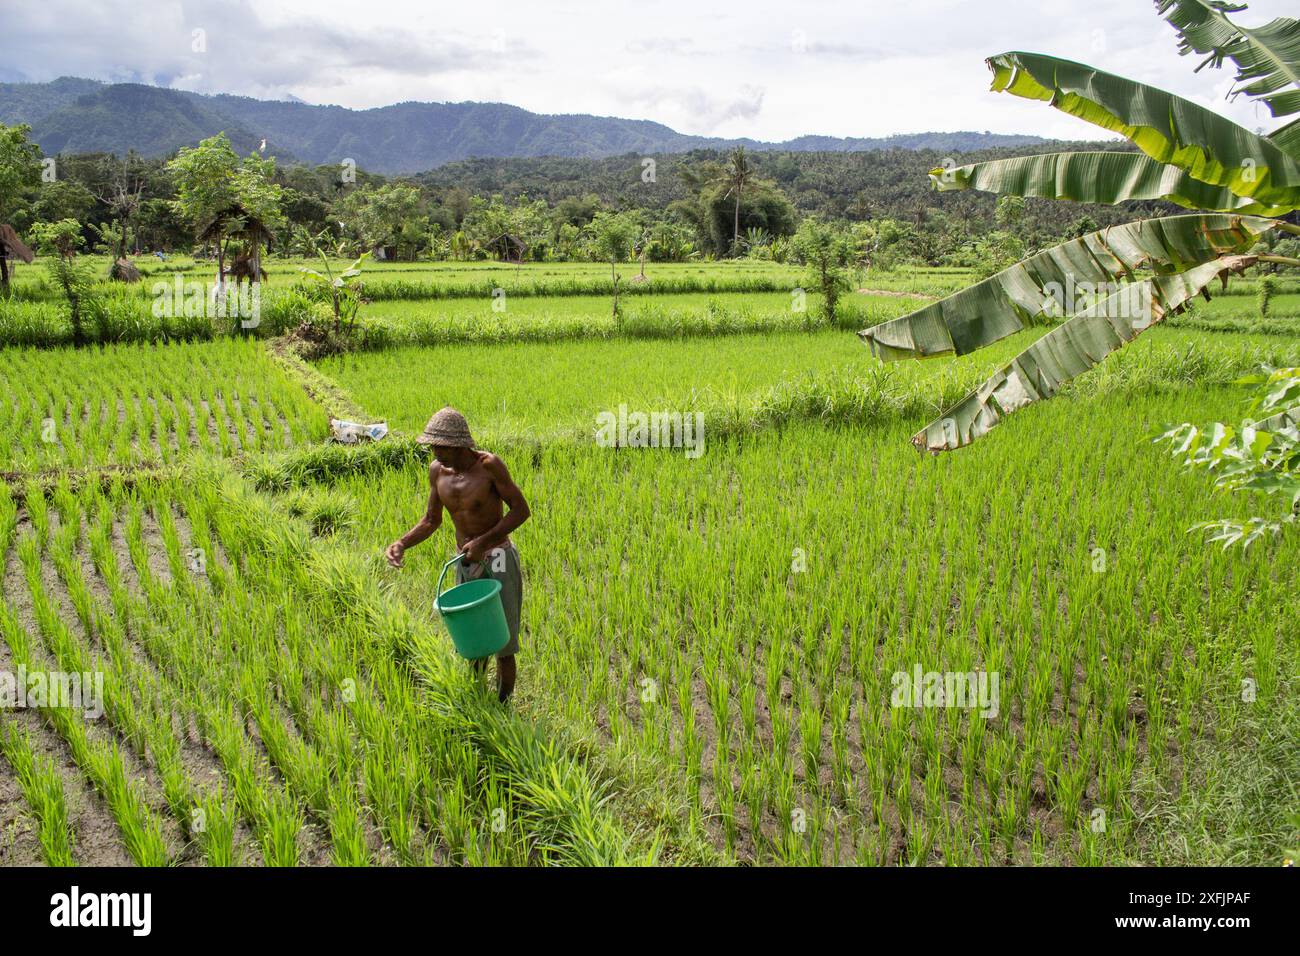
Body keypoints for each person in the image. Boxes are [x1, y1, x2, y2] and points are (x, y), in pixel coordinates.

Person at [386, 407, 530, 702]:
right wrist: (402, 543)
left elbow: (521, 510)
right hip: (465, 561)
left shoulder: (489, 466)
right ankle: (478, 700)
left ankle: (504, 705)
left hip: (497, 557)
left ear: (458, 445)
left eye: (440, 446)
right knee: (474, 636)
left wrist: (483, 542)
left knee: (503, 641)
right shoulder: (437, 471)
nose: (434, 450)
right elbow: (431, 520)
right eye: (433, 445)